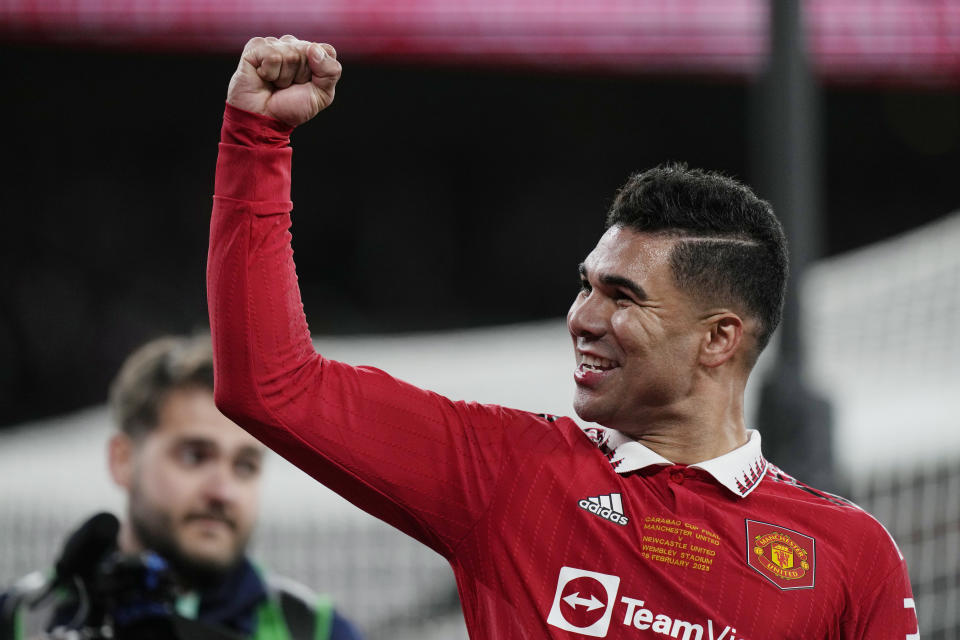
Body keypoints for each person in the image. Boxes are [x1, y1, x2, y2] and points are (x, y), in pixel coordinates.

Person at [206, 35, 920, 639]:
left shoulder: (850, 557)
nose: (582, 317)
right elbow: (271, 386)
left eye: (623, 297)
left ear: (718, 340)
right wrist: (256, 141)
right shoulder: (506, 474)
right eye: (587, 284)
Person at [0, 335, 363, 640]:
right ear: (122, 460)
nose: (223, 491)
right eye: (194, 456)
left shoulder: (316, 630)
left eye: (245, 465)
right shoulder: (22, 619)